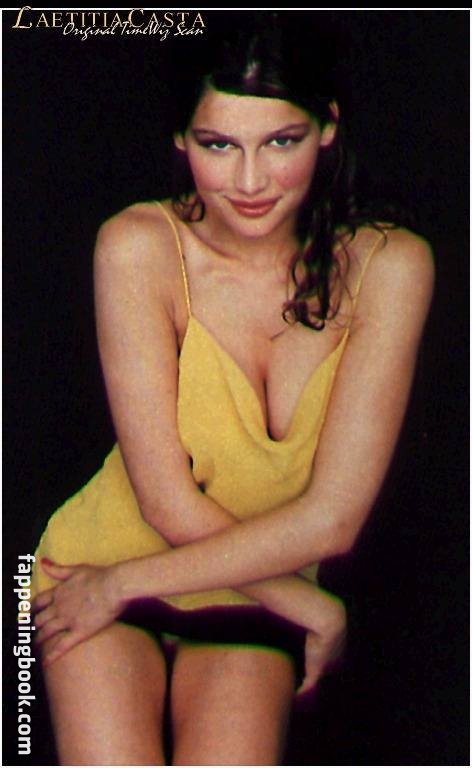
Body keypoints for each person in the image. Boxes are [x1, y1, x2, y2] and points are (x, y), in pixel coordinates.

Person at [30, 15, 434, 766]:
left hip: (239, 592)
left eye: (280, 141)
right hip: (98, 566)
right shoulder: (139, 246)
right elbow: (166, 503)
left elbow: (332, 521)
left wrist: (128, 584)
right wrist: (311, 603)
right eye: (219, 145)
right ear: (181, 140)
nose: (249, 183)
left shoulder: (390, 267)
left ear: (327, 128)